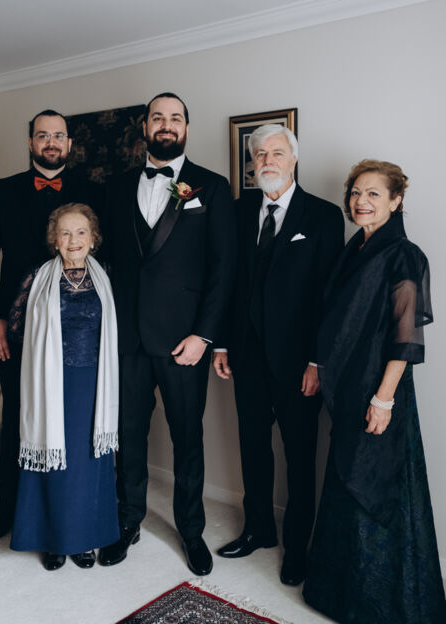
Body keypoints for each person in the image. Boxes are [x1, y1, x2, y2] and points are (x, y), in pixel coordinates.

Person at [303, 160, 445, 623]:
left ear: (396, 200)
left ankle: (378, 607)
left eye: (373, 194)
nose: (360, 202)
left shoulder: (404, 255)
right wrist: (320, 365)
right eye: (355, 193)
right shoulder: (354, 248)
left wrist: (383, 399)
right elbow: (334, 319)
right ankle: (338, 595)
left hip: (380, 390)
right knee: (345, 477)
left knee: (374, 481)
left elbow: (405, 338)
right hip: (348, 387)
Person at [101, 92, 236, 576]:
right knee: (128, 436)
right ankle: (127, 521)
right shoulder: (115, 187)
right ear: (145, 127)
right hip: (126, 339)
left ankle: (191, 531)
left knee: (187, 439)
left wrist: (204, 335)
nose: (166, 124)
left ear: (186, 127)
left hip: (184, 341)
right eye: (157, 117)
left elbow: (224, 269)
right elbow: (105, 260)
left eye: (175, 117)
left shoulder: (212, 187)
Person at [213, 124, 344, 586]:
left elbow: (330, 295)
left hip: (299, 363)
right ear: (252, 163)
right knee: (252, 446)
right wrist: (222, 343)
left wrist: (318, 361)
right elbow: (226, 281)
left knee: (300, 454)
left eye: (277, 153)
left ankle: (296, 548)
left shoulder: (324, 216)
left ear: (293, 159)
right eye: (260, 154)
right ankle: (258, 529)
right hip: (245, 354)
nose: (267, 161)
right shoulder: (238, 211)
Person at [0, 110, 102, 543]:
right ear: (30, 143)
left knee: (74, 422)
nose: (51, 142)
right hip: (17, 326)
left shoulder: (92, 190)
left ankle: (70, 516)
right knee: (19, 417)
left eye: (58, 135)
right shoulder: (3, 190)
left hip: (77, 329)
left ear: (69, 143)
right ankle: (9, 511)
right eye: (42, 135)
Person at [8, 203, 119, 570]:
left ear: (93, 238)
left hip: (93, 383)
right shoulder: (37, 277)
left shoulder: (106, 276)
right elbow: (16, 327)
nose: (74, 240)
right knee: (54, 462)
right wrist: (44, 357)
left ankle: (84, 540)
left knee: (87, 463)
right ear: (54, 240)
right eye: (65, 233)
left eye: (81, 232)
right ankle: (54, 541)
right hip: (50, 382)